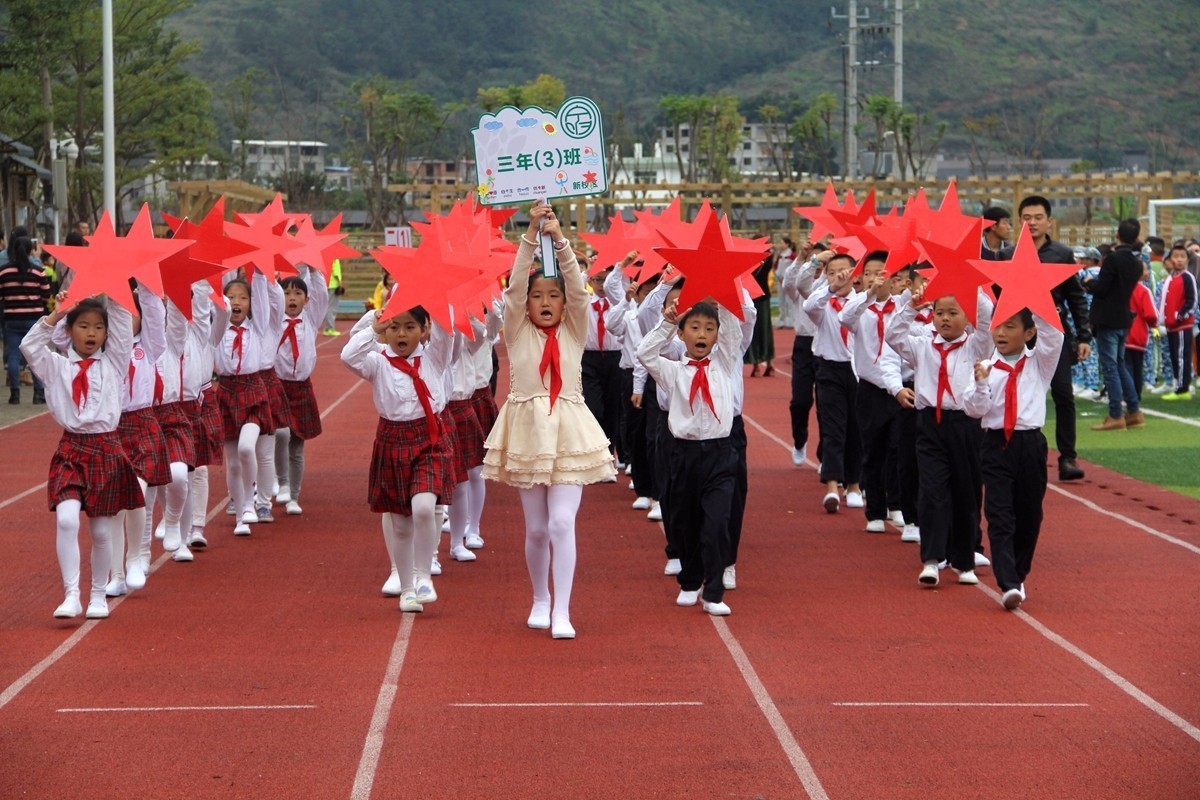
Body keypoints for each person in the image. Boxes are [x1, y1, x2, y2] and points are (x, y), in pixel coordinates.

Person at [481, 201, 616, 639]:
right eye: (538, 296)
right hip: (526, 430)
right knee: (537, 529)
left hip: (570, 428)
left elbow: (579, 291)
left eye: (552, 296)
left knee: (561, 523)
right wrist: (528, 235)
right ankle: (540, 597)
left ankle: (563, 609)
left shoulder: (575, 329)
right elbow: (515, 287)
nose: (544, 302)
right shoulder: (517, 330)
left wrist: (559, 240)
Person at [21, 295, 142, 619]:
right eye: (84, 326)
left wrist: (116, 291)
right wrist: (56, 314)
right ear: (70, 330)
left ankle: (98, 595)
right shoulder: (57, 365)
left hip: (105, 450)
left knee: (101, 532)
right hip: (71, 450)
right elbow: (30, 347)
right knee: (66, 518)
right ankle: (71, 594)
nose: (92, 333)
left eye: (99, 327)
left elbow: (121, 324)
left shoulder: (115, 362)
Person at [342, 302, 454, 613]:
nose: (401, 333)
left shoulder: (435, 357)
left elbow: (447, 331)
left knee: (423, 507)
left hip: (428, 440)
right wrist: (374, 327)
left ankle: (423, 575)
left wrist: (440, 294)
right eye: (394, 327)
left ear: (424, 330)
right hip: (393, 440)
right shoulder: (378, 363)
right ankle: (406, 588)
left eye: (409, 327)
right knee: (401, 524)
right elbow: (348, 356)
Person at [638, 297, 743, 616]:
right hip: (683, 455)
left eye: (709, 329)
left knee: (716, 523)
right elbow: (645, 353)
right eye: (694, 327)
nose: (702, 334)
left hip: (720, 456)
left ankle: (713, 592)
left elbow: (734, 332)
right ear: (682, 334)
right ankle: (689, 581)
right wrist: (669, 322)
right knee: (684, 522)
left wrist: (722, 300)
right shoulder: (672, 371)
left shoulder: (725, 362)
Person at [886, 287, 993, 587]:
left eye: (953, 312)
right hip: (929, 422)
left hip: (965, 424)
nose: (944, 319)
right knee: (932, 490)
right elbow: (894, 336)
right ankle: (932, 559)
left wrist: (970, 285)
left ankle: (964, 560)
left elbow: (987, 320)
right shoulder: (922, 344)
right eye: (939, 312)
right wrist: (910, 303)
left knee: (966, 491)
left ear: (966, 317)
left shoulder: (976, 345)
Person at [965, 307, 1064, 610]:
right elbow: (973, 409)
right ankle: (1007, 580)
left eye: (1010, 327)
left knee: (1029, 514)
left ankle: (1018, 573)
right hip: (996, 444)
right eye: (998, 327)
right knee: (999, 513)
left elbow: (1054, 336)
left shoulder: (1040, 363)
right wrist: (981, 383)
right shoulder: (985, 365)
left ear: (1029, 333)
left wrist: (1035, 298)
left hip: (1030, 444)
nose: (1001, 334)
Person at [1004, 196, 1091, 481]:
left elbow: (1077, 298)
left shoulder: (1062, 254)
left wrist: (1083, 336)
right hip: (1019, 336)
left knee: (1064, 394)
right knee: (1018, 394)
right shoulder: (1008, 256)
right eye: (1026, 217)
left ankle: (1068, 458)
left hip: (1054, 336)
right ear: (1019, 222)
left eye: (1038, 217)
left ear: (1049, 220)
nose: (1032, 222)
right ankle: (1019, 453)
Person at [837, 252, 905, 533]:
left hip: (900, 389)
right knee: (872, 450)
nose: (876, 278)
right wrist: (867, 295)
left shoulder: (903, 307)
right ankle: (875, 510)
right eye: (869, 273)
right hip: (869, 388)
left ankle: (897, 504)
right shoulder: (859, 308)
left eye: (882, 273)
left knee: (898, 449)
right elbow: (844, 317)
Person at [212, 273, 274, 536]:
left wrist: (260, 273)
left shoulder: (257, 328)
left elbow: (262, 297)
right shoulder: (217, 330)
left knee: (247, 448)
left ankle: (252, 501)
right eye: (231, 297)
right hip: (226, 391)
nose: (237, 302)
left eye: (243, 297)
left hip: (252, 391)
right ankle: (239, 513)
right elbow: (213, 308)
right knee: (233, 462)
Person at [803, 253, 863, 513]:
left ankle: (854, 485)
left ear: (855, 273)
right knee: (832, 429)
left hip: (858, 372)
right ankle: (831, 485)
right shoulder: (823, 305)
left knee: (856, 429)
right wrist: (830, 288)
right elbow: (809, 306)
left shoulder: (862, 302)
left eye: (844, 271)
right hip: (829, 370)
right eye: (832, 271)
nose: (839, 275)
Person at [274, 267, 328, 516]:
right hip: (278, 387)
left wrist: (314, 269)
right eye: (286, 293)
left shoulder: (311, 320)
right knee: (280, 435)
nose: (292, 297)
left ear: (307, 300)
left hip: (301, 388)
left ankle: (294, 495)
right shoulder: (274, 321)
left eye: (298, 293)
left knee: (297, 446)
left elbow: (322, 295)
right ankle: (281, 482)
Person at [1083, 219, 1144, 429]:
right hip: (1124, 318)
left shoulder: (1112, 259)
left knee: (1110, 367)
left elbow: (1102, 289)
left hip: (1108, 318)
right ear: (1136, 238)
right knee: (1119, 365)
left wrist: (1089, 283)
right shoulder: (1136, 263)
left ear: (1117, 235)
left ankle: (1116, 414)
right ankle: (1134, 411)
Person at [780, 243, 825, 467]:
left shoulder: (829, 285)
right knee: (800, 401)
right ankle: (800, 440)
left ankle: (826, 454)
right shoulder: (800, 287)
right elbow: (789, 282)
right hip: (804, 345)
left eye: (821, 263)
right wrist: (802, 259)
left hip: (826, 345)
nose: (817, 268)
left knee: (827, 404)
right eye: (814, 262)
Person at [581, 265, 625, 471]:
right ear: (590, 282)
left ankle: (608, 457)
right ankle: (594, 453)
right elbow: (572, 288)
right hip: (589, 359)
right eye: (597, 280)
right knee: (593, 408)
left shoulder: (618, 304)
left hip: (615, 358)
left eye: (604, 280)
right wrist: (586, 270)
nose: (601, 285)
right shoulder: (584, 303)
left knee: (612, 409)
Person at [1, 235, 51, 404]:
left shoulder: (4, 271)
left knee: (14, 356)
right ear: (31, 251)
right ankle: (38, 393)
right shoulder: (38, 271)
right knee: (35, 355)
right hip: (33, 320)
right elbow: (46, 295)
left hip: (12, 319)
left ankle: (15, 394)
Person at [1159, 243, 1197, 400]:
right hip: (1171, 325)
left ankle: (1183, 389)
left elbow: (1192, 301)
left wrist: (1180, 315)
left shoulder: (1188, 277)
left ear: (1187, 260)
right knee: (1175, 356)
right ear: (1170, 259)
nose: (1179, 260)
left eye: (1183, 257)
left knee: (1182, 356)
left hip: (1182, 324)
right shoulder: (1169, 279)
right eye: (1176, 256)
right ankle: (1179, 384)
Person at [1124, 261, 1158, 413]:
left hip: (1122, 334)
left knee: (1125, 368)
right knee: (1137, 369)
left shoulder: (1121, 289)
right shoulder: (1144, 290)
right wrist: (1153, 324)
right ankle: (1135, 397)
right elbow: (1151, 314)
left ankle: (1127, 396)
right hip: (1139, 336)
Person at [743, 252, 775, 376]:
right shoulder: (749, 261)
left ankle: (760, 363)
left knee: (758, 331)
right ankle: (764, 363)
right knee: (759, 331)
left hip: (759, 298)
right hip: (756, 298)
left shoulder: (763, 261)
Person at [323, 258, 343, 336]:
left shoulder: (325, 257)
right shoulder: (335, 258)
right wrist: (340, 281)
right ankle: (329, 328)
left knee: (328, 306)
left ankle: (328, 327)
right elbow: (336, 271)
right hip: (333, 284)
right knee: (331, 307)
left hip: (327, 283)